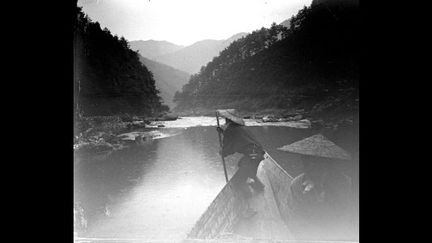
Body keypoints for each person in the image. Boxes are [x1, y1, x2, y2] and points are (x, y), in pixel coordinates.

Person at [278, 134, 355, 241]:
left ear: (327, 163)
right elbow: (295, 219)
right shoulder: (297, 185)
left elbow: (348, 216)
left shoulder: (344, 183)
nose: (312, 166)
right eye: (307, 161)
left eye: (317, 162)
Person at [216, 109, 265, 217]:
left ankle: (248, 209)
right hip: (258, 154)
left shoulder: (231, 130)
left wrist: (222, 151)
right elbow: (238, 139)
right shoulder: (241, 128)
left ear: (227, 120)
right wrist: (223, 132)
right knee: (242, 165)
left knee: (238, 181)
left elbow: (228, 148)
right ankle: (259, 186)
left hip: (252, 156)